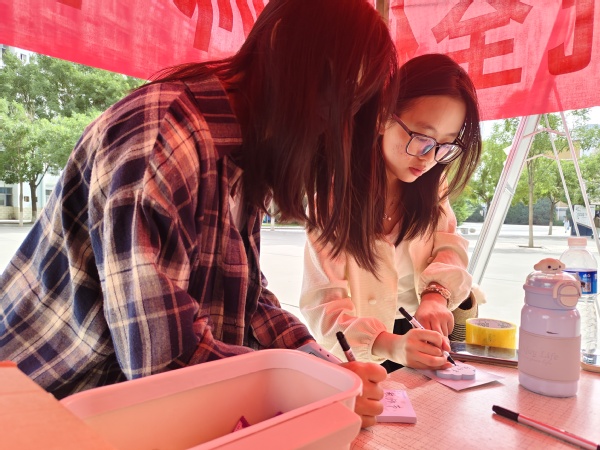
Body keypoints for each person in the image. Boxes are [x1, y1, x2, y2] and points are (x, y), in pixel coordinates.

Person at [0, 0, 399, 427]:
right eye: (334, 95)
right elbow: (166, 366)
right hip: (38, 410)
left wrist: (321, 368)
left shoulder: (242, 154)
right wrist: (309, 390)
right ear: (281, 44)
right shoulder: (166, 138)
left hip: (116, 414)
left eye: (351, 106)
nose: (334, 125)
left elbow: (249, 300)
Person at [300, 53, 484, 373]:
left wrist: (436, 296)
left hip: (425, 337)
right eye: (421, 138)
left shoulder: (432, 189)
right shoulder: (332, 200)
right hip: (362, 349)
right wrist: (390, 345)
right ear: (383, 117)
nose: (429, 158)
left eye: (445, 146)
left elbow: (449, 247)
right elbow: (323, 304)